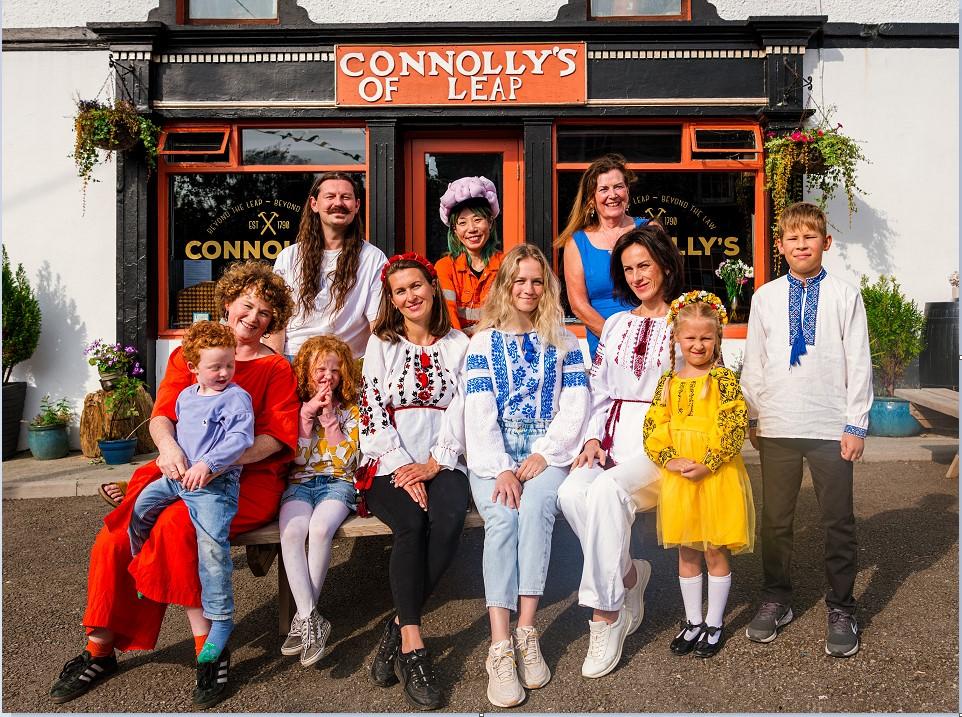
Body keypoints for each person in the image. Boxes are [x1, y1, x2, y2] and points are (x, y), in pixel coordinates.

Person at [49, 261, 298, 710]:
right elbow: (163, 414)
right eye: (247, 305)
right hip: (176, 467)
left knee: (177, 529)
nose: (254, 317)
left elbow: (274, 438)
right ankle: (100, 648)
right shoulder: (196, 351)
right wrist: (168, 451)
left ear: (272, 321)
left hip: (244, 479)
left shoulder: (275, 368)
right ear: (228, 303)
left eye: (265, 312)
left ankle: (211, 649)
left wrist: (213, 463)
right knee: (113, 536)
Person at [740, 201, 872, 658]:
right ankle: (777, 597)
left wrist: (856, 422)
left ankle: (841, 605)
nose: (801, 244)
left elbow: (859, 360)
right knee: (776, 521)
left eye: (809, 237)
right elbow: (754, 360)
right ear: (780, 246)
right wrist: (754, 414)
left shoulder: (844, 295)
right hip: (778, 422)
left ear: (826, 243)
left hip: (830, 424)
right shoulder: (765, 297)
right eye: (792, 238)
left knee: (838, 521)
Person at [557, 223, 685, 679]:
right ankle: (630, 575)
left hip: (660, 444)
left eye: (644, 265)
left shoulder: (686, 321)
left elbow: (704, 390)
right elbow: (597, 389)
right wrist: (591, 437)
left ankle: (605, 616)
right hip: (612, 436)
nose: (636, 276)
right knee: (572, 494)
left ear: (665, 265)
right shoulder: (615, 324)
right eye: (628, 269)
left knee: (608, 492)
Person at [464, 244, 589, 708]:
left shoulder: (564, 341)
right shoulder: (482, 343)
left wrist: (544, 453)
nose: (528, 289)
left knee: (536, 508)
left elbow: (576, 404)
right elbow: (478, 412)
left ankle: (526, 631)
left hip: (546, 451)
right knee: (501, 517)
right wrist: (501, 467)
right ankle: (499, 647)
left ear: (547, 287)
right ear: (505, 285)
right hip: (493, 453)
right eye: (519, 280)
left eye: (537, 281)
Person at [360, 252, 470, 710]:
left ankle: (395, 627)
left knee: (446, 521)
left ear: (432, 288)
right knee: (411, 525)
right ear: (391, 298)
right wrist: (403, 466)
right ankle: (414, 644)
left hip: (445, 460)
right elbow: (370, 410)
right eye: (400, 290)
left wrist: (433, 463)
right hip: (388, 464)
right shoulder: (381, 346)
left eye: (417, 286)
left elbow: (466, 409)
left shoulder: (459, 344)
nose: (410, 296)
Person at [128, 321, 255, 670]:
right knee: (141, 508)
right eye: (215, 367)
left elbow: (240, 439)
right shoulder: (185, 397)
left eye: (229, 364)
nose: (224, 372)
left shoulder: (236, 397)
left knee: (212, 549)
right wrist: (171, 457)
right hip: (179, 479)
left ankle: (221, 619)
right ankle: (140, 564)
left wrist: (209, 464)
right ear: (193, 368)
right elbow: (177, 433)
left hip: (215, 486)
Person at [642, 291, 754, 659]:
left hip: (714, 475)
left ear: (718, 339)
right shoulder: (668, 382)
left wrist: (710, 460)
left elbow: (734, 423)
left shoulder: (722, 381)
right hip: (680, 477)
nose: (698, 345)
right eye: (690, 337)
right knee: (687, 551)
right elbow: (655, 424)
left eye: (706, 338)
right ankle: (692, 621)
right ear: (677, 338)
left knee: (714, 549)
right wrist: (669, 457)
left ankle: (715, 622)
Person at [278, 335, 362, 667]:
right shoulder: (297, 408)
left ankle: (303, 620)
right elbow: (296, 461)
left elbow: (348, 462)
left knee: (320, 528)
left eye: (335, 370)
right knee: (292, 532)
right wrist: (306, 419)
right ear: (306, 373)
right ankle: (312, 617)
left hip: (337, 485)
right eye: (320, 370)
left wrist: (330, 424)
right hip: (299, 485)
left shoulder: (350, 411)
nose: (328, 377)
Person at [269, 171, 387, 359]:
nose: (338, 203)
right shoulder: (288, 257)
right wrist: (276, 366)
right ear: (314, 204)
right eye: (330, 196)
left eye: (346, 197)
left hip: (346, 364)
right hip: (293, 359)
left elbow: (379, 325)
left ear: (356, 206)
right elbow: (276, 321)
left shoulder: (373, 258)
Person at [555, 153, 650, 359]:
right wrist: (616, 339)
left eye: (618, 187)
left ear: (627, 191)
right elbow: (578, 305)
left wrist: (640, 337)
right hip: (604, 346)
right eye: (604, 189)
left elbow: (665, 288)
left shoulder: (650, 230)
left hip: (648, 340)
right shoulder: (577, 243)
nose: (613, 195)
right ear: (591, 198)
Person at [434, 175, 504, 336]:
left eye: (478, 219)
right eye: (462, 222)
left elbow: (510, 316)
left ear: (491, 222)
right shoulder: (445, 267)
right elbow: (447, 316)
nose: (471, 228)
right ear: (454, 230)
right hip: (457, 349)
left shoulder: (506, 264)